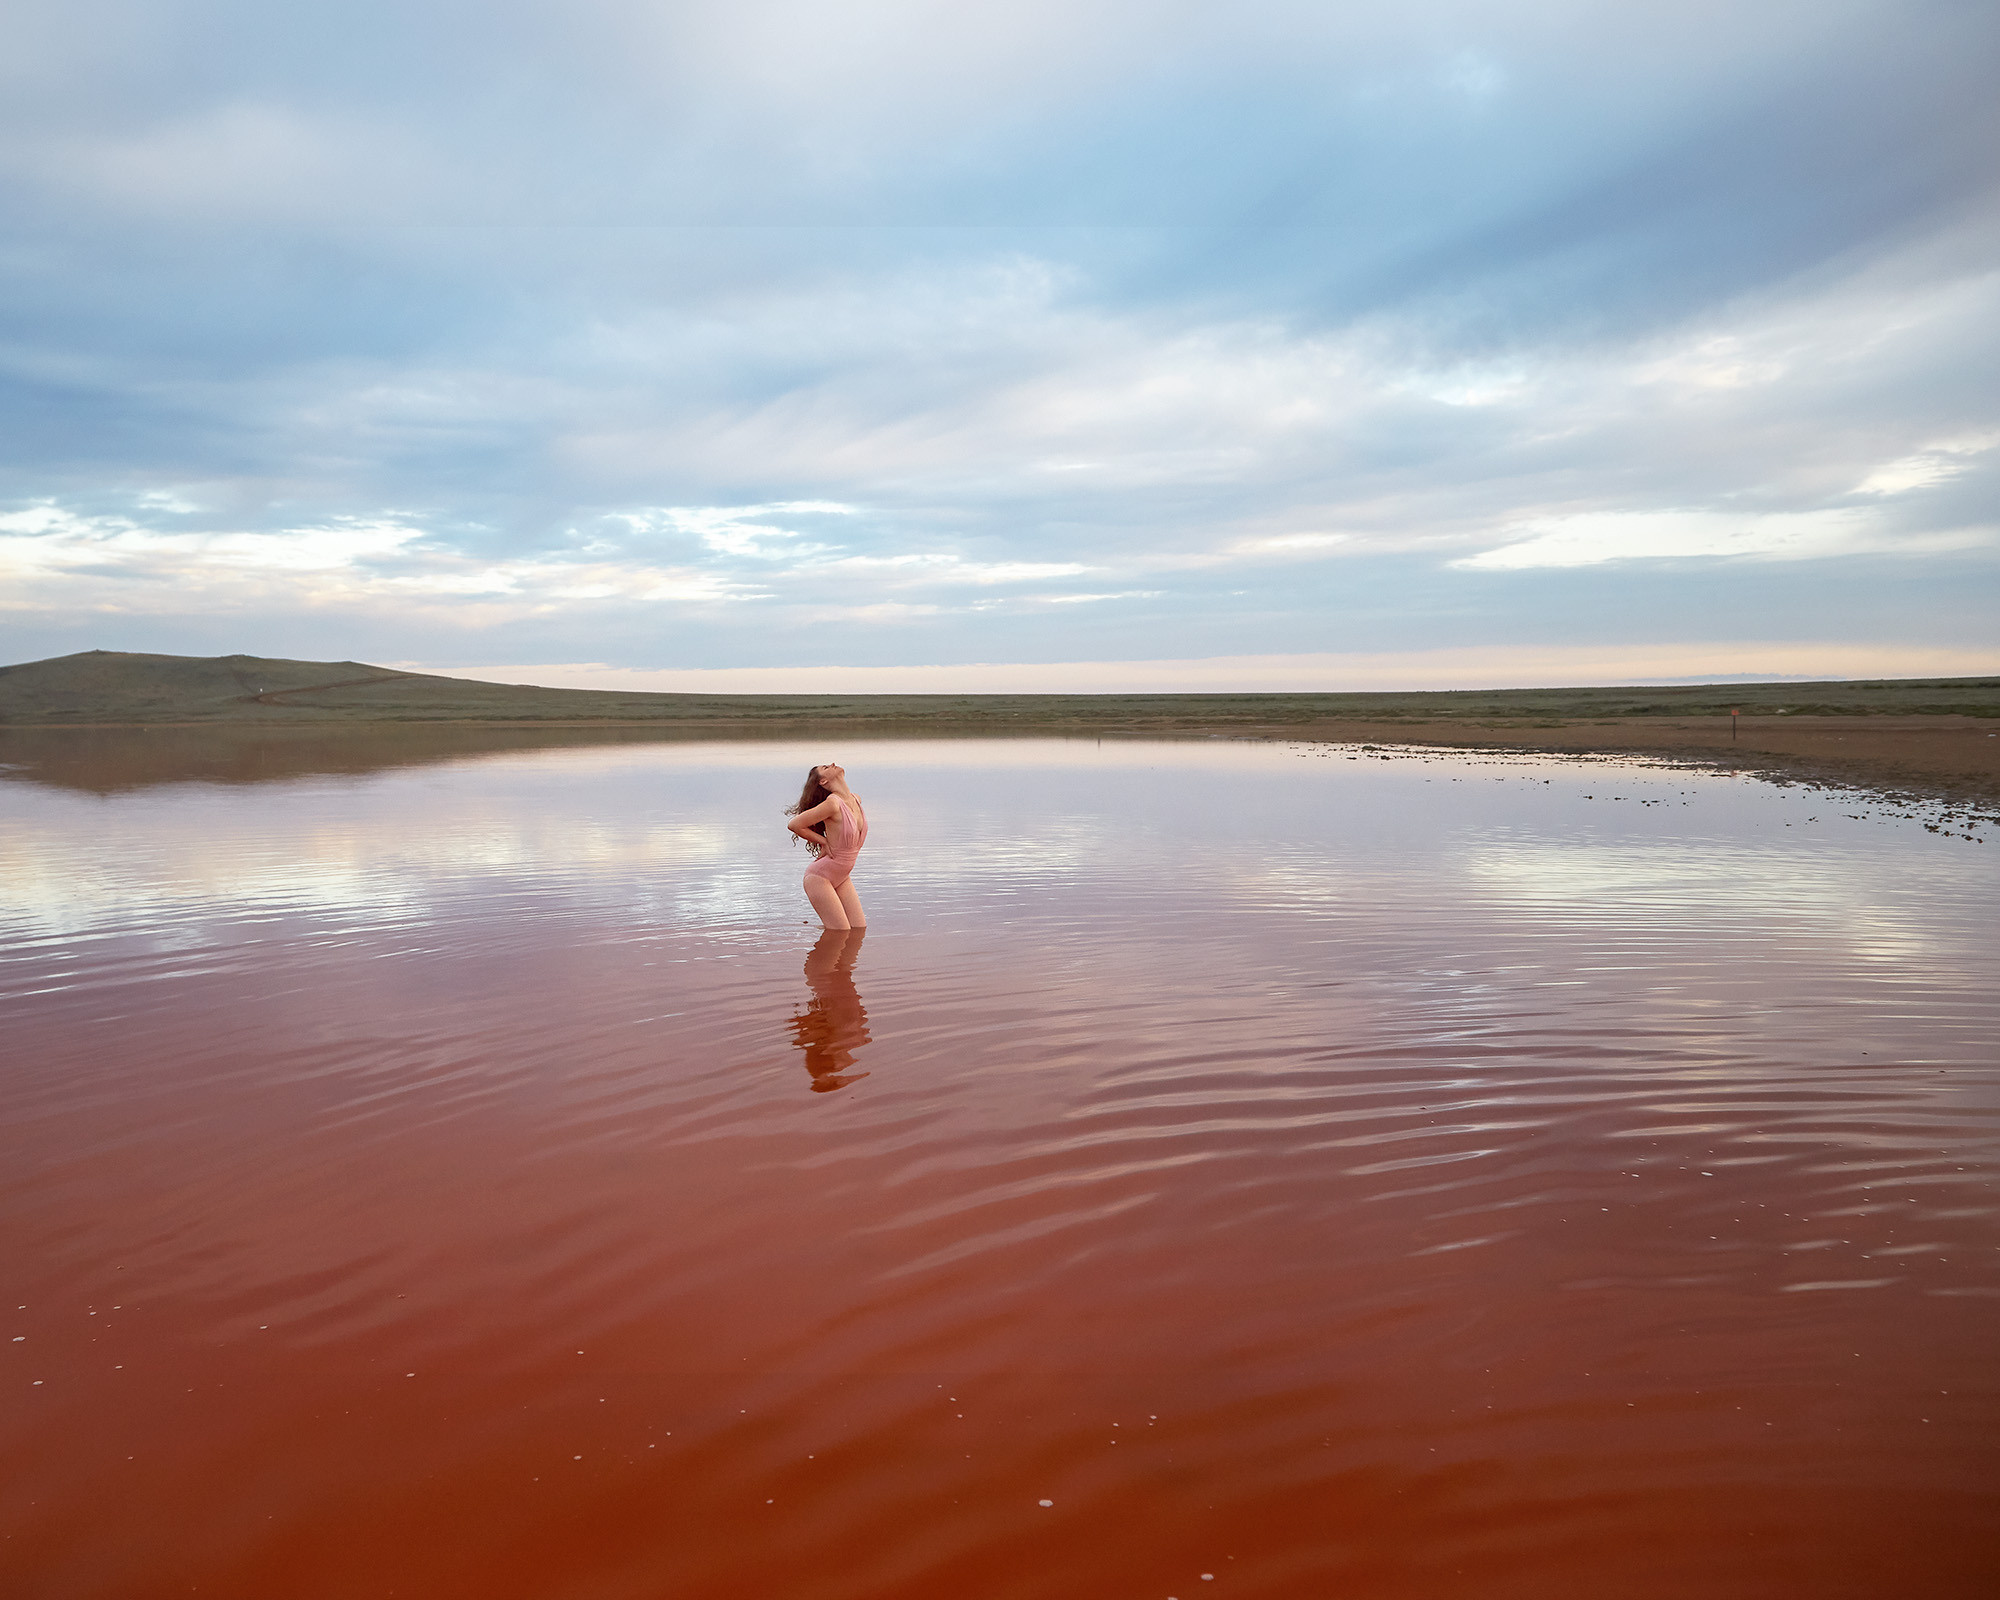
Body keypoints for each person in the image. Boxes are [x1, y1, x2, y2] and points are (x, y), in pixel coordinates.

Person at [785, 762, 868, 930]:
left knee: (859, 930)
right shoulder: (833, 804)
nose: (832, 764)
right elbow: (794, 824)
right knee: (840, 932)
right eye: (826, 767)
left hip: (842, 876)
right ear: (823, 781)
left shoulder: (855, 799)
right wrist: (823, 842)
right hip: (819, 878)